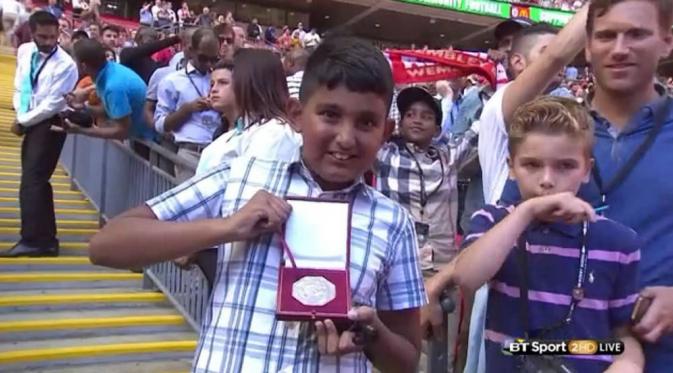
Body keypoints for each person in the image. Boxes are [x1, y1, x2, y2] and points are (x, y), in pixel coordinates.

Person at [88, 34, 425, 373]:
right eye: (330, 115)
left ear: (386, 131)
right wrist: (227, 227)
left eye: (366, 122)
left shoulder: (393, 222)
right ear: (296, 114)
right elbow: (107, 245)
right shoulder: (241, 176)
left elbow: (407, 359)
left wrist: (371, 333)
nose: (346, 138)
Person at [499, 0, 673, 370]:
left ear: (667, 41)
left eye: (637, 34)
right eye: (607, 36)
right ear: (588, 47)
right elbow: (501, 235)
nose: (620, 48)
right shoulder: (549, 135)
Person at [455, 96, 644, 373]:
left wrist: (628, 363)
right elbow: (468, 277)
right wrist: (526, 212)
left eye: (565, 166)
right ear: (511, 167)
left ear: (586, 170)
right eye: (531, 165)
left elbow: (621, 333)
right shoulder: (494, 222)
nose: (547, 179)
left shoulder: (619, 243)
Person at [374, 86, 478, 369]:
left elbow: (479, 130)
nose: (417, 120)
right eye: (409, 114)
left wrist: (489, 87)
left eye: (426, 116)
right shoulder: (383, 154)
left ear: (437, 126)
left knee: (438, 341)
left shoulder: (448, 156)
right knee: (395, 337)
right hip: (396, 264)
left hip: (441, 264)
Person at [1, 11, 78, 258]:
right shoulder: (25, 51)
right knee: (35, 180)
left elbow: (53, 105)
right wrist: (21, 114)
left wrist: (23, 121)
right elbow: (21, 84)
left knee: (33, 180)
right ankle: (45, 239)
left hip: (51, 122)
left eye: (52, 37)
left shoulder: (66, 64)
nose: (48, 42)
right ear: (32, 33)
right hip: (29, 116)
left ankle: (35, 239)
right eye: (42, 36)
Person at [196, 48, 298, 175]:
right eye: (212, 84)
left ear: (253, 82)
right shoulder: (241, 129)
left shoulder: (275, 133)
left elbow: (252, 190)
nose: (214, 89)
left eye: (225, 82)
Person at [154, 27, 221, 182]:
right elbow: (159, 125)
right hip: (190, 152)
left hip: (217, 153)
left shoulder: (220, 78)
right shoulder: (172, 81)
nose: (209, 64)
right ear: (191, 50)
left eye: (214, 59)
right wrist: (187, 110)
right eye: (204, 58)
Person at [58, 38, 155, 142]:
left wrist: (81, 130)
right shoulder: (107, 71)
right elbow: (108, 111)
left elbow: (122, 131)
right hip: (138, 139)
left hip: (147, 143)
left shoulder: (113, 87)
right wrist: (84, 107)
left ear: (83, 66)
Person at [146, 27, 196, 128]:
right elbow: (148, 108)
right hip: (167, 139)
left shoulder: (212, 75)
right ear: (183, 46)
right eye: (192, 47)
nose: (197, 51)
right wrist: (157, 128)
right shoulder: (162, 74)